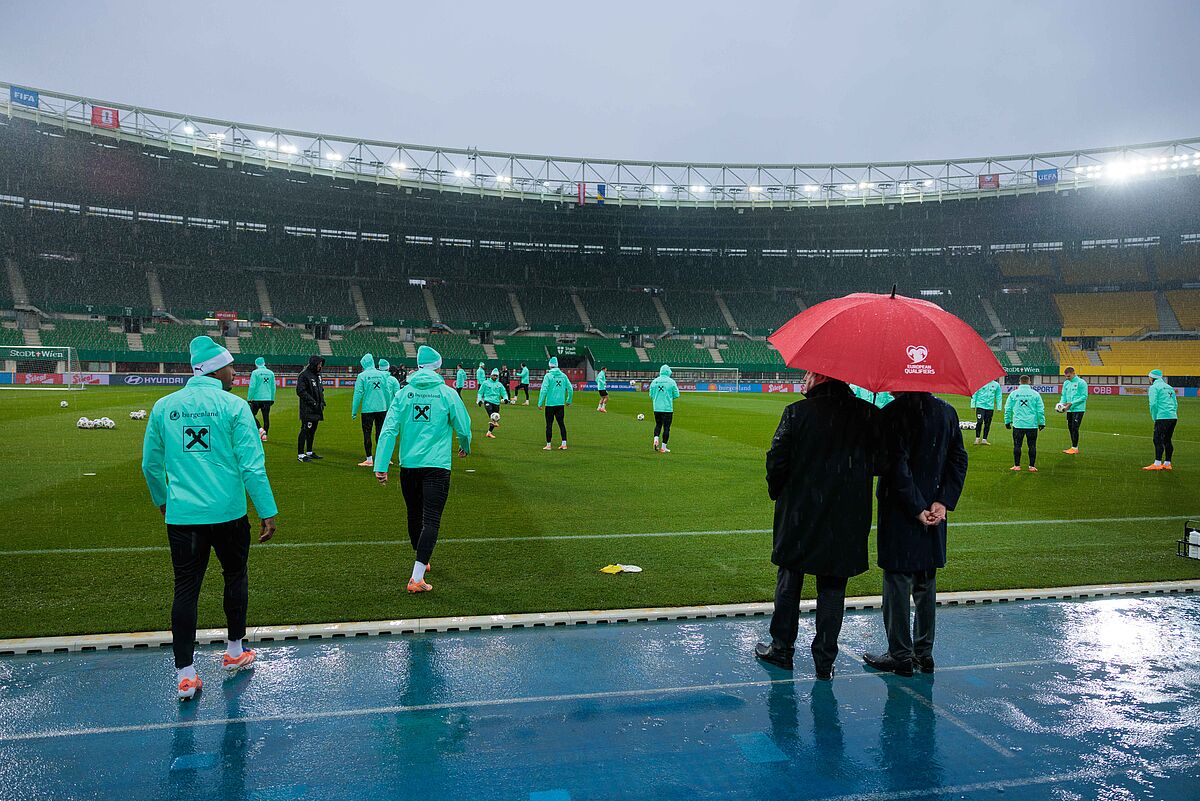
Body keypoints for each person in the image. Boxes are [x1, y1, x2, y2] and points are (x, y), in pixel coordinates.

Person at [141, 336, 278, 701]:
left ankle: (186, 675)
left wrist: (163, 502)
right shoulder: (234, 407)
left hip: (183, 517)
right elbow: (252, 465)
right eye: (232, 366)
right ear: (217, 369)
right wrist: (267, 510)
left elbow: (150, 465)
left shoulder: (164, 406)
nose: (236, 372)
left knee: (185, 589)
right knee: (235, 577)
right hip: (229, 515)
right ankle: (235, 653)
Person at [755, 372, 882, 679]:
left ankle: (782, 650)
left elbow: (776, 459)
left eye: (809, 373)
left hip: (800, 512)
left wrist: (779, 491)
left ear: (822, 376)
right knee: (833, 587)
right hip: (846, 517)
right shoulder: (867, 414)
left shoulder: (797, 412)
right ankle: (824, 662)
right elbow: (881, 463)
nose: (805, 378)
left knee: (789, 579)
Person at [863, 391, 968, 677]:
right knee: (925, 581)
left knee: (897, 582)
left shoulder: (893, 413)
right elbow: (958, 459)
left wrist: (916, 507)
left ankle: (900, 655)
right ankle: (924, 653)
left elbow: (894, 466)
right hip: (934, 511)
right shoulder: (946, 411)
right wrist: (942, 501)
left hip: (901, 512)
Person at [374, 345, 472, 593]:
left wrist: (381, 465)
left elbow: (388, 430)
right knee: (431, 520)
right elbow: (463, 425)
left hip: (410, 466)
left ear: (418, 367)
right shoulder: (447, 393)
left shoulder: (404, 393)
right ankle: (416, 577)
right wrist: (465, 446)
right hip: (437, 466)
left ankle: (422, 559)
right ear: (438, 367)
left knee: (414, 515)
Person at [352, 353, 392, 468]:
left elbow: (358, 394)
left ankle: (369, 459)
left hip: (368, 409)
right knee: (381, 433)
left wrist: (354, 410)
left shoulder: (362, 376)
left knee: (367, 433)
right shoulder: (382, 375)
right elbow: (387, 392)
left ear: (364, 363)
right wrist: (388, 407)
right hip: (382, 408)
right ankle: (382, 458)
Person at [1004, 374, 1045, 472]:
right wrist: (1042, 422)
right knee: (1032, 445)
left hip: (1018, 424)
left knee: (1017, 445)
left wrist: (1007, 421)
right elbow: (1040, 410)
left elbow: (1008, 409)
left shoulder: (1013, 394)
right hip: (1032, 424)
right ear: (1029, 381)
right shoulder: (1035, 394)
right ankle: (1032, 466)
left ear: (1019, 382)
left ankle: (1017, 465)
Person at [1145, 369, 1179, 471]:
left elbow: (1153, 404)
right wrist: (1172, 413)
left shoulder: (1154, 388)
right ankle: (1167, 463)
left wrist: (1155, 417)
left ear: (1151, 378)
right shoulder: (1169, 387)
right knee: (1167, 439)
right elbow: (1175, 403)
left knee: (1157, 439)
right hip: (1172, 416)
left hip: (1162, 416)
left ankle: (1157, 463)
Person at [538, 356, 574, 450]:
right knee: (561, 423)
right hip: (560, 404)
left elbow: (544, 390)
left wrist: (540, 402)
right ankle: (564, 444)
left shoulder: (548, 376)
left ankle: (549, 445)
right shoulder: (563, 375)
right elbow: (570, 389)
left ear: (550, 366)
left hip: (550, 404)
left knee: (549, 425)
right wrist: (568, 400)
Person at [296, 355, 326, 462]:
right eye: (319, 364)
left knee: (312, 430)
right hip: (307, 409)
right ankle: (300, 455)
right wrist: (312, 402)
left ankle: (309, 452)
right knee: (305, 429)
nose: (320, 366)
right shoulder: (304, 375)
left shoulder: (317, 376)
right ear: (314, 364)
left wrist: (322, 402)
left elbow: (320, 390)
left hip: (317, 408)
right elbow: (300, 391)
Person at [649, 364, 681, 453]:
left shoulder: (654, 381)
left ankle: (656, 439)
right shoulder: (671, 382)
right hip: (667, 408)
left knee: (658, 424)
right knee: (666, 427)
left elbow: (651, 395)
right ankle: (663, 447)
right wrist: (669, 398)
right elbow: (676, 394)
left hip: (656, 407)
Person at [1059, 367, 1088, 455]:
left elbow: (1084, 396)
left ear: (1073, 373)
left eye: (1068, 376)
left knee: (1075, 428)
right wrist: (1061, 404)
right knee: (1070, 428)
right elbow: (1063, 395)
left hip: (1078, 409)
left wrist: (1071, 403)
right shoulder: (1066, 383)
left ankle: (1075, 448)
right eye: (1066, 376)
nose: (1067, 378)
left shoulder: (1081, 382)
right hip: (1069, 410)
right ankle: (1073, 447)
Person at [247, 356, 276, 441]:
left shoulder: (255, 372)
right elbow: (273, 387)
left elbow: (252, 386)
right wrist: (272, 398)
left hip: (256, 398)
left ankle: (260, 429)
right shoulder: (270, 373)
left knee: (251, 415)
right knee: (266, 418)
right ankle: (264, 436)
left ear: (256, 364)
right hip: (267, 399)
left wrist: (249, 398)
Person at [970, 378, 1003, 445]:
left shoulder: (996, 385)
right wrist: (973, 404)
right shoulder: (979, 383)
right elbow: (975, 393)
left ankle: (984, 439)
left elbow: (998, 396)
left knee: (987, 423)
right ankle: (977, 438)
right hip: (980, 406)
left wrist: (999, 407)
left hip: (990, 407)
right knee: (979, 422)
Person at [481, 367, 510, 439]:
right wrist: (479, 400)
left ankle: (489, 433)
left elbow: (504, 393)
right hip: (487, 401)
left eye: (496, 376)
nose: (495, 377)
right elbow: (480, 392)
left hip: (496, 402)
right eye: (494, 375)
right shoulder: (485, 383)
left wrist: (506, 399)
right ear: (491, 375)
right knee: (493, 415)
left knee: (495, 417)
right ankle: (495, 421)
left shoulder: (499, 384)